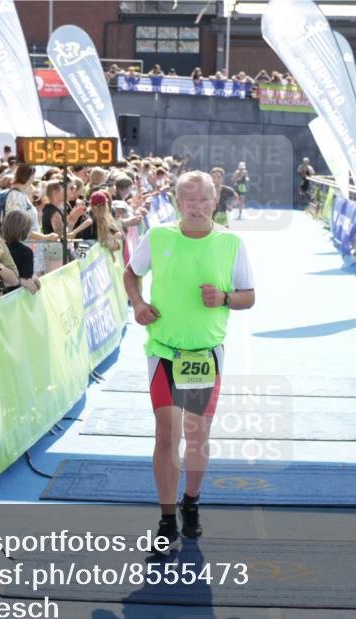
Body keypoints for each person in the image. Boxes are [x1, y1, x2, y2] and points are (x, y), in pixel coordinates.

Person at [123, 171, 256, 555]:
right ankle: (167, 520)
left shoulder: (231, 243)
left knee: (197, 437)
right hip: (163, 350)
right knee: (167, 435)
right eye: (188, 199)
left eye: (203, 199)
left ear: (215, 201)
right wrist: (138, 304)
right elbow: (131, 274)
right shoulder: (159, 236)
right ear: (178, 203)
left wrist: (226, 298)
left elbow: (249, 296)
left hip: (205, 354)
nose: (195, 206)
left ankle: (191, 502)